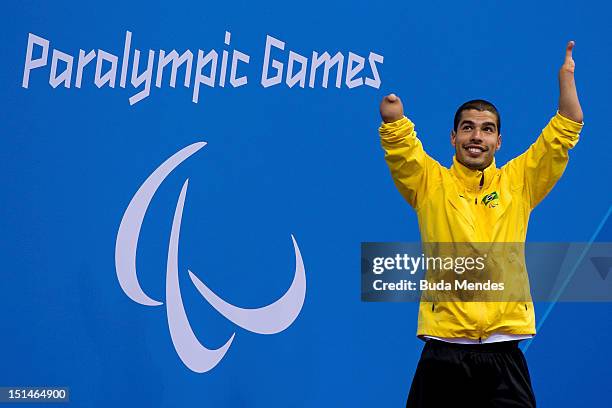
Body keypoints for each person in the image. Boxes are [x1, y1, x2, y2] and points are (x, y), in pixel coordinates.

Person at [378, 41, 584, 407]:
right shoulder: (430, 184)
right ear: (453, 137)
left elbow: (563, 132)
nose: (477, 136)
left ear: (499, 141)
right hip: (443, 353)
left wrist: (566, 79)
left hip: (504, 354)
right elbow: (403, 152)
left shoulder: (520, 183)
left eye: (487, 129)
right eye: (468, 128)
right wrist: (394, 122)